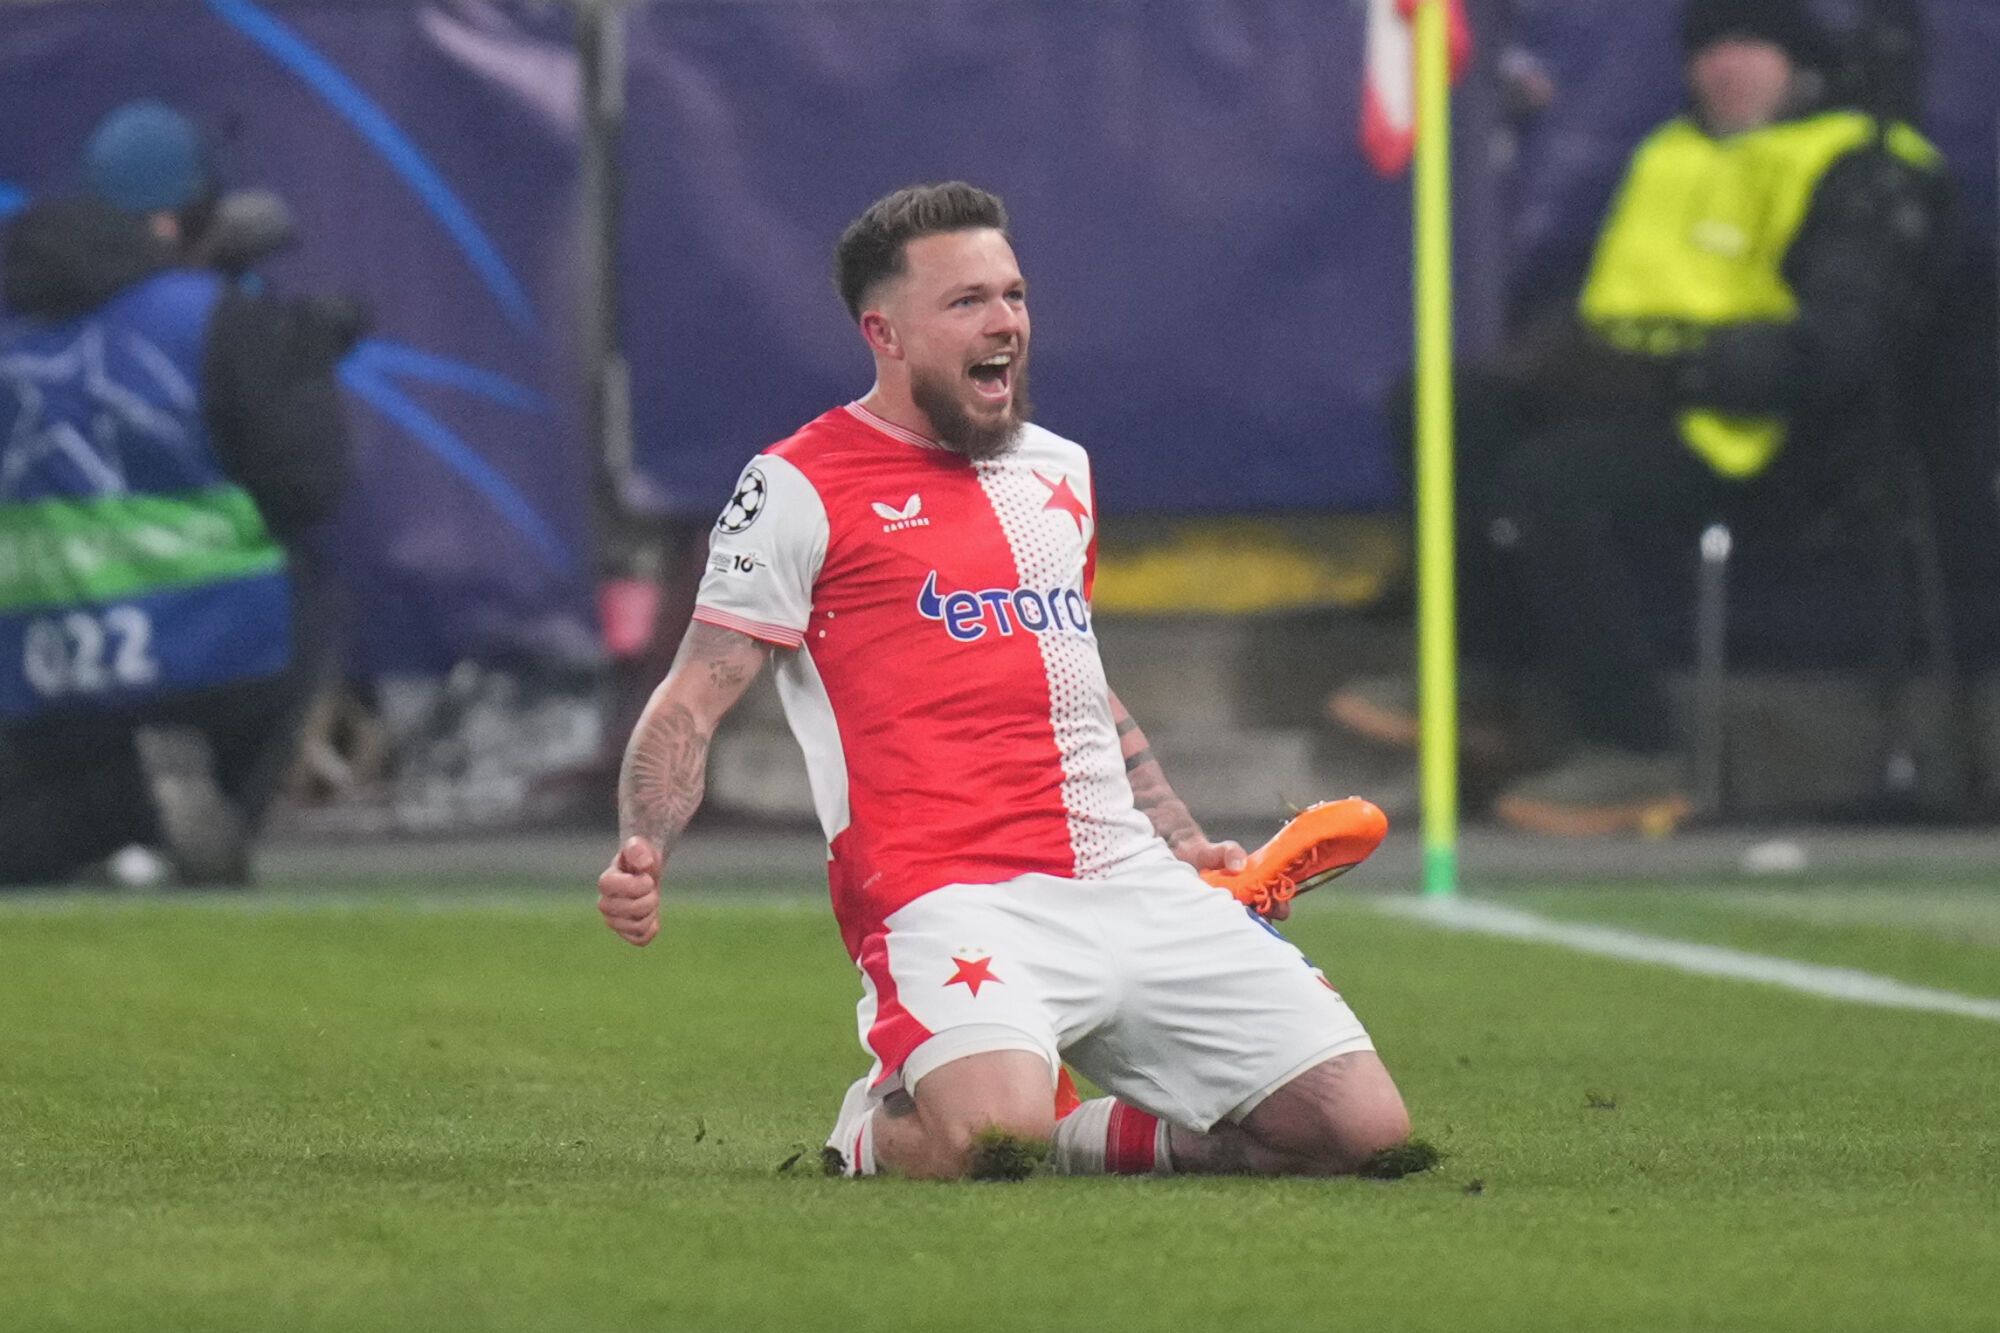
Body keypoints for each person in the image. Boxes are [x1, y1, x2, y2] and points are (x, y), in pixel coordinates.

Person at [597, 182, 1412, 1180]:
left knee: (1359, 1133)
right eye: (967, 302)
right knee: (986, 1139)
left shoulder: (1056, 470)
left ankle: (1078, 1138)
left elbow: (1072, 679)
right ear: (883, 332)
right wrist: (644, 843)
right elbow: (694, 691)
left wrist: (1182, 836)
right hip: (946, 893)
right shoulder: (798, 484)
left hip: (1126, 879)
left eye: (1013, 295)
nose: (1005, 324)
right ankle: (873, 1128)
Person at [1328, 0, 1952, 835]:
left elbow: (1844, 344)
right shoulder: (1670, 152)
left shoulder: (1859, 163)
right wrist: (1569, 360)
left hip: (1770, 441)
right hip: (1648, 408)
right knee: (1445, 409)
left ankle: (1633, 744)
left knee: (1552, 483)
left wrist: (1683, 370)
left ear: (1798, 63)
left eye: (1749, 45)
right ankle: (1481, 675)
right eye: (1708, 47)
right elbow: (1625, 302)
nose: (1725, 66)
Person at [0, 101, 356, 886]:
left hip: (38, 674)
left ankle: (125, 833)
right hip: (217, 660)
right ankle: (203, 806)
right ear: (183, 218)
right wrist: (299, 362)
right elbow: (310, 484)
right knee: (313, 583)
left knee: (34, 854)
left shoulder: (16, 333)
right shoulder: (214, 320)